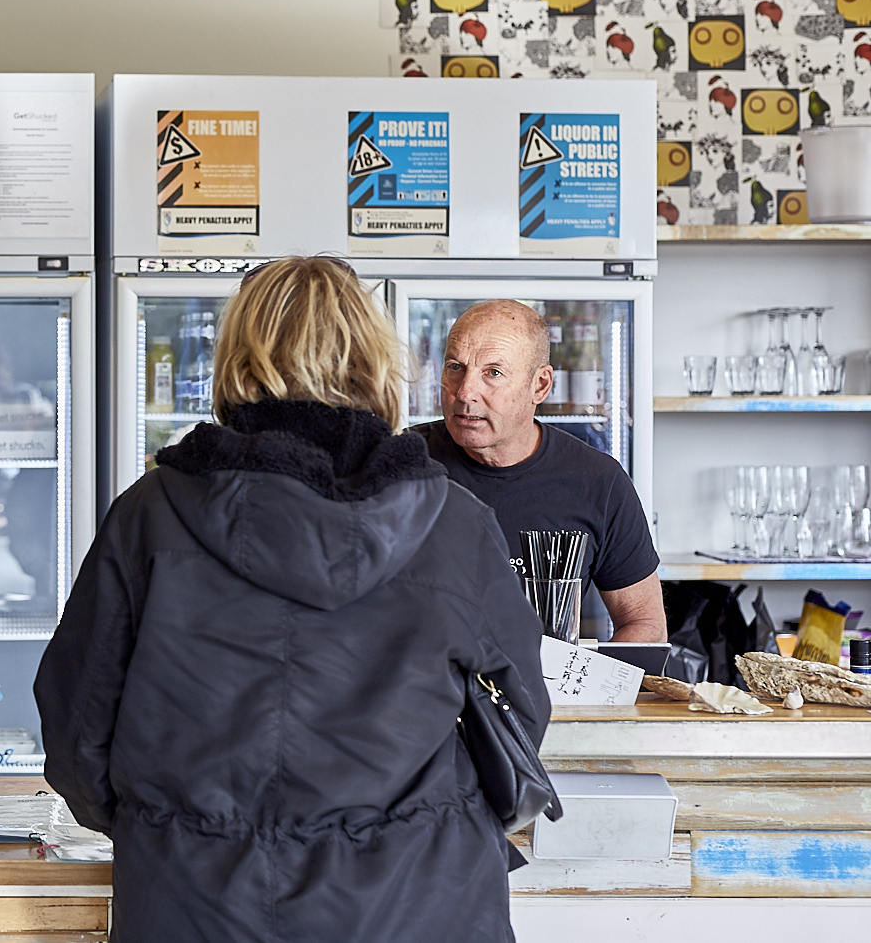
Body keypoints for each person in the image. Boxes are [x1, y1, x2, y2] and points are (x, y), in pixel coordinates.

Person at [35, 256, 547, 943]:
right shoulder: (455, 521)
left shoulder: (148, 515)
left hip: (193, 902)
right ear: (373, 357)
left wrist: (162, 825)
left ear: (236, 355)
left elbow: (76, 728)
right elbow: (520, 717)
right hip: (417, 901)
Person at [416, 300, 667, 643]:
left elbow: (645, 624)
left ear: (540, 385)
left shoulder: (598, 481)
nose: (464, 391)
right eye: (455, 367)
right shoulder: (400, 464)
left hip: (546, 678)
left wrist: (582, 676)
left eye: (493, 373)